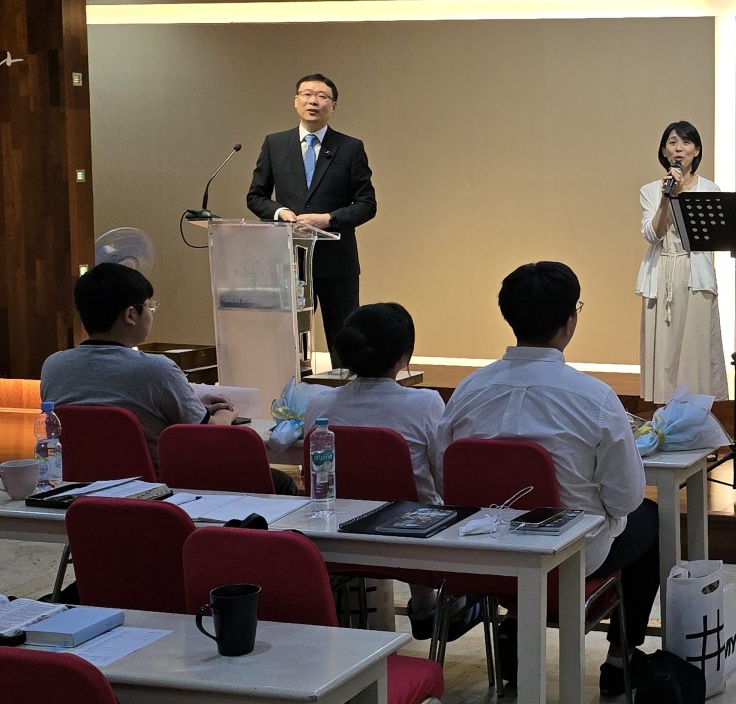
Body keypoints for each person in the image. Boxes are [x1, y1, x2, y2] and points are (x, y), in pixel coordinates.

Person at [441, 261, 657, 695]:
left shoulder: (467, 390)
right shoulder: (595, 397)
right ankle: (621, 659)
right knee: (650, 518)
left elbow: (442, 475)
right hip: (569, 557)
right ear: (569, 321)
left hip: (482, 553)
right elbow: (625, 498)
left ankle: (516, 623)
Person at [39, 264, 299, 494]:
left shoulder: (54, 366)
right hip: (158, 489)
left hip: (77, 488)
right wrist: (226, 414)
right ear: (131, 315)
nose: (152, 313)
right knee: (280, 482)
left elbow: (111, 413)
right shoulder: (156, 369)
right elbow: (209, 436)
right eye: (149, 306)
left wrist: (195, 406)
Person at [300, 302, 447, 633]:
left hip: (336, 538)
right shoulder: (425, 404)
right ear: (404, 357)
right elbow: (445, 479)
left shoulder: (319, 404)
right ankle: (426, 604)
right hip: (413, 542)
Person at [246, 73, 377, 369]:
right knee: (289, 337)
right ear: (296, 101)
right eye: (306, 94)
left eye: (321, 96)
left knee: (343, 337)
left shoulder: (350, 147)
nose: (313, 101)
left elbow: (367, 204)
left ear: (334, 106)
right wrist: (279, 212)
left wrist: (329, 219)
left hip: (336, 261)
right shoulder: (275, 144)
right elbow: (256, 196)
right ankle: (291, 389)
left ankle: (346, 389)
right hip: (289, 260)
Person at [636, 121, 729, 404]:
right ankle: (666, 416)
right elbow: (653, 234)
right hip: (661, 271)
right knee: (664, 349)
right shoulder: (651, 190)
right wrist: (667, 198)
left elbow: (707, 236)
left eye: (686, 142)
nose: (679, 148)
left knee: (695, 347)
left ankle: (695, 418)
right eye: (673, 142)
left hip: (694, 272)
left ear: (696, 150)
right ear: (664, 151)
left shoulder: (709, 188)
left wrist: (681, 196)